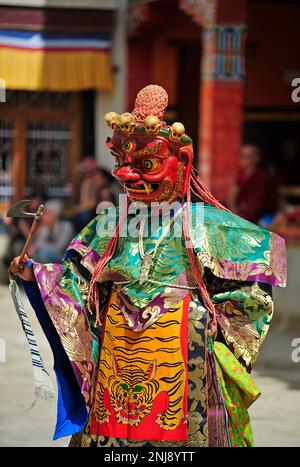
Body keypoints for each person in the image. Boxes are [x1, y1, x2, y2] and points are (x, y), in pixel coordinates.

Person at [9, 85, 286, 447]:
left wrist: (210, 329)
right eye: (122, 164)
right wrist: (38, 274)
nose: (128, 176)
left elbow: (252, 288)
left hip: (186, 354)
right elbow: (78, 278)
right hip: (116, 355)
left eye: (147, 164)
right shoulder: (111, 224)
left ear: (182, 162)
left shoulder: (209, 224)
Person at [229, 144, 279, 224]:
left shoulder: (262, 176)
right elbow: (232, 195)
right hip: (239, 209)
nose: (244, 159)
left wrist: (242, 209)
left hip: (257, 213)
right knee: (208, 209)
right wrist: (233, 209)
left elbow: (259, 201)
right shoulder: (240, 173)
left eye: (248, 156)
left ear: (257, 158)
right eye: (242, 156)